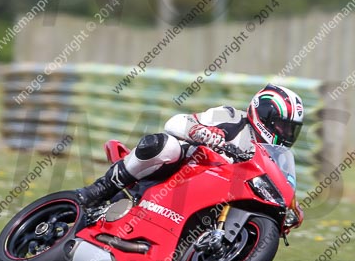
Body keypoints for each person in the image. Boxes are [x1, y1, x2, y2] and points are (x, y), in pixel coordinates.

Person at [76, 83, 305, 226]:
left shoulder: (274, 156)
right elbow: (175, 122)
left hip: (212, 198)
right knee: (168, 146)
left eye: (290, 130)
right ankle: (101, 188)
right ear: (264, 114)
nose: (285, 133)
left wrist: (289, 207)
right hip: (181, 174)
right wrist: (200, 132)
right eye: (282, 126)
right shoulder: (232, 118)